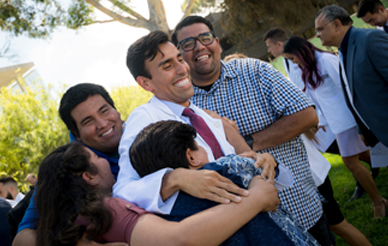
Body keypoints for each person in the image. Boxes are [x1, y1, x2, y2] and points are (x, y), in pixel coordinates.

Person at [171, 15, 331, 245]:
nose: (199, 47)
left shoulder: (254, 71)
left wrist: (243, 143)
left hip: (300, 207)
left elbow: (306, 115)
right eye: (188, 44)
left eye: (205, 38)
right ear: (180, 55)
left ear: (217, 42)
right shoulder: (181, 105)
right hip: (250, 230)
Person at [114, 30, 279, 216]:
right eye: (167, 66)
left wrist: (261, 161)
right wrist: (174, 179)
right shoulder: (144, 118)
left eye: (179, 59)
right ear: (145, 84)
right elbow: (124, 191)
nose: (182, 69)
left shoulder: (203, 116)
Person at [35, 142, 280, 246]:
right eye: (97, 158)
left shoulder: (67, 225)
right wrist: (255, 199)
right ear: (88, 177)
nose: (104, 161)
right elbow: (179, 240)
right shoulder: (104, 210)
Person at [130, 120, 320, 246]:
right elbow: (272, 174)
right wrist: (264, 158)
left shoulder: (165, 214)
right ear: (191, 156)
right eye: (199, 144)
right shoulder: (227, 167)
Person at [263, 28, 372, 246]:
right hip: (329, 125)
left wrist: (358, 119)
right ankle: (376, 190)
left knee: (355, 161)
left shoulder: (323, 61)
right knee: (354, 159)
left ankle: (377, 197)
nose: (293, 63)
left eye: (269, 46)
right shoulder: (297, 68)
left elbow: (345, 88)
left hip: (343, 123)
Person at [315, 4, 388, 218]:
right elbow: (352, 92)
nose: (317, 34)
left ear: (337, 24)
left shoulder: (369, 40)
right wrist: (362, 128)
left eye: (320, 29)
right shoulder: (343, 51)